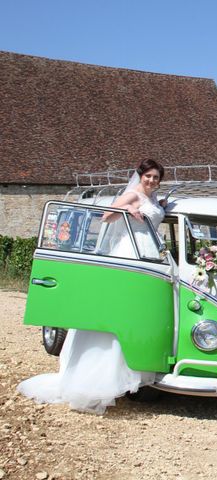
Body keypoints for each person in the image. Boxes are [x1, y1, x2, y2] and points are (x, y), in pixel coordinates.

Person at [17, 160, 166, 414]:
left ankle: (136, 370)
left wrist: (160, 207)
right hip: (131, 252)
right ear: (140, 177)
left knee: (138, 313)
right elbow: (106, 216)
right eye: (148, 176)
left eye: (156, 177)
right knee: (120, 312)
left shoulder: (154, 198)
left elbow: (154, 217)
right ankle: (100, 378)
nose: (151, 181)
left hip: (151, 253)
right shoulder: (133, 194)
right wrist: (128, 209)